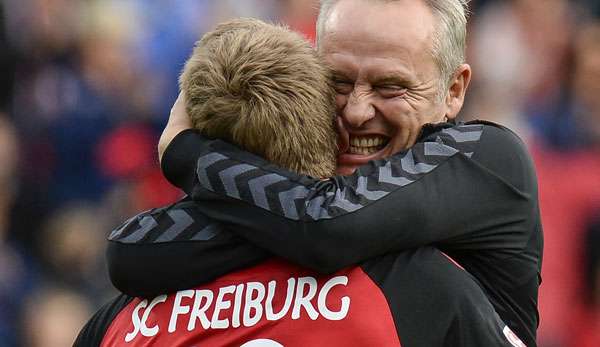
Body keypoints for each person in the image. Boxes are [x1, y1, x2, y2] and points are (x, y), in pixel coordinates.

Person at [76, 18, 520, 347]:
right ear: (319, 122)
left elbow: (323, 221)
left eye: (391, 86)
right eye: (340, 85)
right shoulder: (418, 288)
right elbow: (322, 219)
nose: (358, 111)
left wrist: (185, 151)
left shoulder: (121, 320)